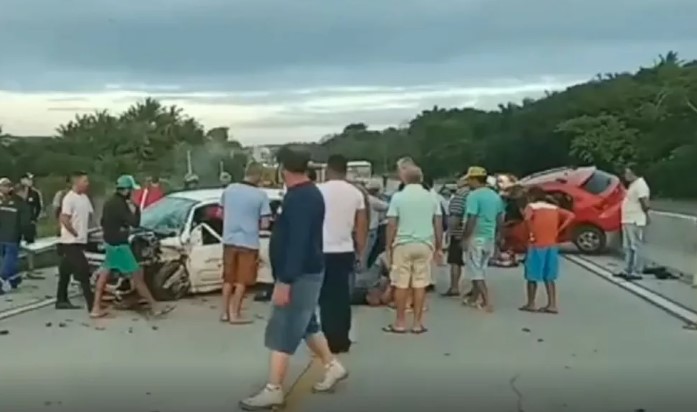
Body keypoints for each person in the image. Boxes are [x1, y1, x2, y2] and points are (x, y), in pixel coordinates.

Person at [240, 146, 347, 410]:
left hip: (299, 275)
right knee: (307, 324)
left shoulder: (301, 198)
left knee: (283, 328)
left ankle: (273, 389)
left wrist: (285, 281)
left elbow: (298, 242)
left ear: (283, 169)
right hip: (305, 271)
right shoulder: (306, 194)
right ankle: (333, 366)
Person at [90, 175, 173, 318]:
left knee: (104, 275)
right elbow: (135, 223)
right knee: (137, 277)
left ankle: (95, 308)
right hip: (120, 246)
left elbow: (103, 221)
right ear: (126, 190)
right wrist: (135, 209)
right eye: (131, 190)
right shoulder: (122, 204)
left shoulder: (109, 202)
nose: (132, 193)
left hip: (110, 243)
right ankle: (154, 307)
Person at [317, 154, 368, 354]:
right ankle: (341, 339)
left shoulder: (318, 191)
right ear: (346, 170)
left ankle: (327, 338)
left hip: (321, 249)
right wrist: (360, 252)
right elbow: (361, 226)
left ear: (328, 170)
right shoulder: (356, 194)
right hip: (344, 250)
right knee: (341, 297)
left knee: (324, 297)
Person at [383, 166, 442, 334]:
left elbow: (392, 223)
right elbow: (437, 222)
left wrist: (388, 246)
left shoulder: (398, 197)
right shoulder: (431, 198)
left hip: (403, 244)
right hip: (425, 244)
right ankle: (417, 323)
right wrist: (438, 246)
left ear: (404, 179)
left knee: (401, 283)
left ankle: (400, 322)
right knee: (420, 283)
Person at [219, 162, 271, 324]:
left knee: (228, 279)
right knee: (242, 280)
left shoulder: (229, 190)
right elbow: (265, 224)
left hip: (228, 240)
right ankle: (235, 314)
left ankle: (225, 313)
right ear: (258, 176)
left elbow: (220, 213)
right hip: (248, 242)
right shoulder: (260, 195)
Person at [518, 186, 575, 314]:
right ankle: (552, 304)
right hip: (552, 244)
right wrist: (559, 229)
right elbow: (571, 216)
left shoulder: (531, 207)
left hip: (536, 244)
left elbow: (527, 220)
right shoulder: (554, 208)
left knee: (532, 275)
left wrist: (532, 233)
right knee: (549, 276)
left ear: (531, 196)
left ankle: (531, 303)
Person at [461, 166, 504, 313]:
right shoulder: (495, 196)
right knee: (481, 269)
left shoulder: (473, 196)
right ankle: (473, 298)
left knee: (475, 271)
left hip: (476, 236)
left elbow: (471, 218)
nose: (468, 183)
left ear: (474, 179)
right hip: (489, 237)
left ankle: (486, 302)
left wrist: (465, 237)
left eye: (469, 180)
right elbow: (500, 218)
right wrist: (499, 235)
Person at [55, 171, 96, 311]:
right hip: (70, 241)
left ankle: (61, 300)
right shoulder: (69, 198)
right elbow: (64, 218)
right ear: (76, 182)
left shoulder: (84, 198)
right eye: (85, 181)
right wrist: (74, 232)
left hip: (81, 240)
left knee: (65, 270)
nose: (87, 184)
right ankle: (92, 304)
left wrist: (90, 230)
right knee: (83, 270)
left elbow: (90, 215)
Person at [614, 166, 650, 281]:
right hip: (627, 219)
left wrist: (646, 215)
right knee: (627, 246)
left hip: (635, 219)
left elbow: (645, 202)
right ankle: (627, 269)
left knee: (636, 246)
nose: (625, 175)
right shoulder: (633, 185)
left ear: (634, 173)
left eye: (627, 173)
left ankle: (636, 271)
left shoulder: (640, 184)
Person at [0, 178, 32, 294]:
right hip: (12, 236)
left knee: (3, 259)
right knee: (10, 260)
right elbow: (25, 223)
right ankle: (2, 280)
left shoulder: (3, 202)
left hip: (1, 236)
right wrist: (29, 237)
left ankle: (14, 279)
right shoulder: (21, 205)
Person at [442, 175, 469, 297]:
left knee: (455, 260)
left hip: (459, 233)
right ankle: (476, 288)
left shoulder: (460, 195)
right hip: (477, 233)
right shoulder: (475, 194)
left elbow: (455, 215)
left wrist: (449, 231)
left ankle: (454, 287)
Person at [364, 181, 388, 266]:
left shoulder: (365, 198)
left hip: (365, 227)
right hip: (371, 229)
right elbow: (386, 206)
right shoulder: (373, 200)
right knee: (367, 252)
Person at [19, 173, 42, 244]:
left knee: (30, 241)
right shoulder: (16, 192)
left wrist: (35, 218)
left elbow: (38, 207)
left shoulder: (35, 193)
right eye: (29, 179)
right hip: (18, 221)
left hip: (29, 222)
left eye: (31, 180)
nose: (31, 181)